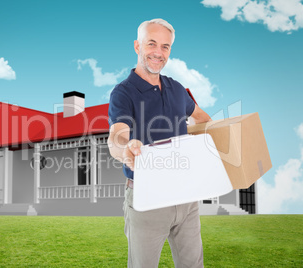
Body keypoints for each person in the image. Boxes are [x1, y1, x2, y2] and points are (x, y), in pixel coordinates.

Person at [107, 18, 212, 268]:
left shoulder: (176, 89)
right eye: (151, 44)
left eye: (165, 46)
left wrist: (188, 139)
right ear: (137, 46)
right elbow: (117, 135)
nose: (158, 52)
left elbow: (203, 119)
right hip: (147, 197)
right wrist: (126, 149)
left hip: (187, 195)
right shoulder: (123, 92)